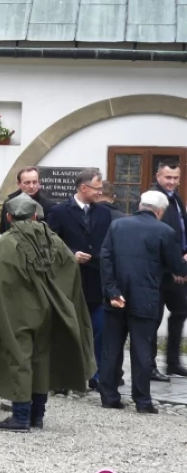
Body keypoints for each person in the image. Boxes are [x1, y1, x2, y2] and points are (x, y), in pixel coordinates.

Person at [0, 193, 95, 432]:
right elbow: (70, 267)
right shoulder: (53, 239)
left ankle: (20, 415)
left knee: (19, 360)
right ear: (34, 215)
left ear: (9, 217)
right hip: (50, 309)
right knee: (41, 359)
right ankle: (37, 415)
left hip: (18, 311)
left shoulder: (8, 242)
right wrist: (59, 297)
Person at [101, 190, 187, 414]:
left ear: (141, 205)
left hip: (116, 296)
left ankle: (109, 395)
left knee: (112, 348)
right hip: (146, 298)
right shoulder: (165, 231)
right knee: (141, 350)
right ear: (159, 211)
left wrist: (111, 290)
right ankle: (142, 401)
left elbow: (106, 259)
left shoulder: (118, 226)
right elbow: (177, 268)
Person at [45, 168, 111, 390]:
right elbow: (50, 243)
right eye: (97, 189)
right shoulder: (59, 211)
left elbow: (107, 244)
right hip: (70, 280)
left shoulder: (103, 213)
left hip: (96, 280)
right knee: (68, 330)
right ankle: (63, 376)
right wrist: (71, 254)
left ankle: (96, 374)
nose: (100, 193)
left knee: (99, 329)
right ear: (84, 188)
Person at [151, 161, 187, 379]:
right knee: (152, 319)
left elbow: (181, 230)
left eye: (175, 178)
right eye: (168, 178)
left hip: (179, 268)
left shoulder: (177, 197)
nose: (172, 182)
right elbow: (158, 237)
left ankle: (172, 362)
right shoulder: (154, 199)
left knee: (181, 311)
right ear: (158, 177)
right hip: (161, 271)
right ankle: (149, 365)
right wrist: (175, 266)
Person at [0, 167, 56, 233]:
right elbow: (2, 230)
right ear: (19, 184)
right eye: (27, 183)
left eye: (34, 182)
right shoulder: (9, 203)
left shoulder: (48, 206)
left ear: (39, 182)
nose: (31, 186)